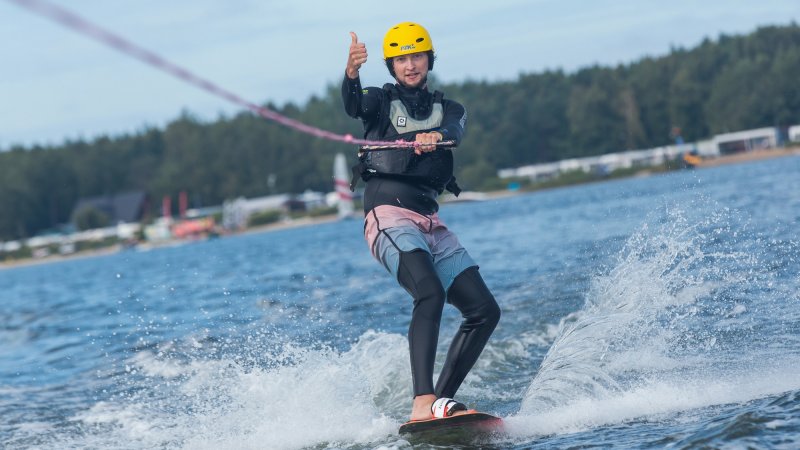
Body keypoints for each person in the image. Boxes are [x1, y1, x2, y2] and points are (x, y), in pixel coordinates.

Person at [341, 22, 501, 422]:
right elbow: (354, 105)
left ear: (429, 59)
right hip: (388, 215)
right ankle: (421, 402)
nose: (410, 65)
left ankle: (440, 403)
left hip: (430, 221)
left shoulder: (451, 109)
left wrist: (435, 135)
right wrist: (351, 73)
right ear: (391, 66)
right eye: (401, 59)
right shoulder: (379, 101)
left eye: (417, 56)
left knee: (484, 310)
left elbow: (453, 131)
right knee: (429, 292)